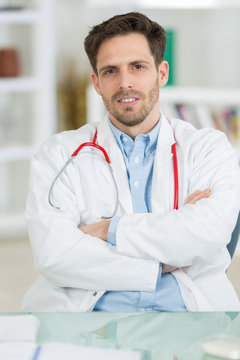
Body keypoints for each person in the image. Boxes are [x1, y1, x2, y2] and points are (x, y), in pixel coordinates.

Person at [22, 12, 240, 312]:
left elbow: (210, 234)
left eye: (138, 67)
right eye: (111, 71)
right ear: (97, 83)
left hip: (189, 314)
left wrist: (108, 230)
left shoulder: (207, 148)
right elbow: (54, 255)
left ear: (161, 73)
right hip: (90, 323)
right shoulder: (58, 155)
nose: (125, 82)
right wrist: (159, 264)